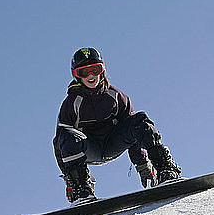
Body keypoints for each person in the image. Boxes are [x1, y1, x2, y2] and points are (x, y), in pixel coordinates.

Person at [52, 47, 181, 203]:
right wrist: (69, 177)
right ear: (76, 75)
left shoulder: (116, 96)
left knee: (140, 120)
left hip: (113, 143)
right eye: (84, 72)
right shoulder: (71, 104)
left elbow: (134, 130)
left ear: (102, 70)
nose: (91, 75)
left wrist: (141, 164)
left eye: (95, 69)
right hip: (88, 149)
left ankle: (165, 170)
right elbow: (60, 143)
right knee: (66, 133)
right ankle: (82, 189)